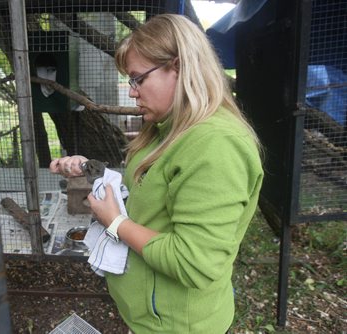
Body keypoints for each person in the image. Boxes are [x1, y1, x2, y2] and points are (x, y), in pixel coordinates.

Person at [50, 14, 263, 334]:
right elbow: (153, 192)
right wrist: (91, 171)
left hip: (177, 324)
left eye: (138, 79)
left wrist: (116, 223)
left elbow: (194, 264)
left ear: (177, 67)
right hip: (151, 316)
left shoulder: (217, 146)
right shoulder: (169, 129)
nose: (132, 91)